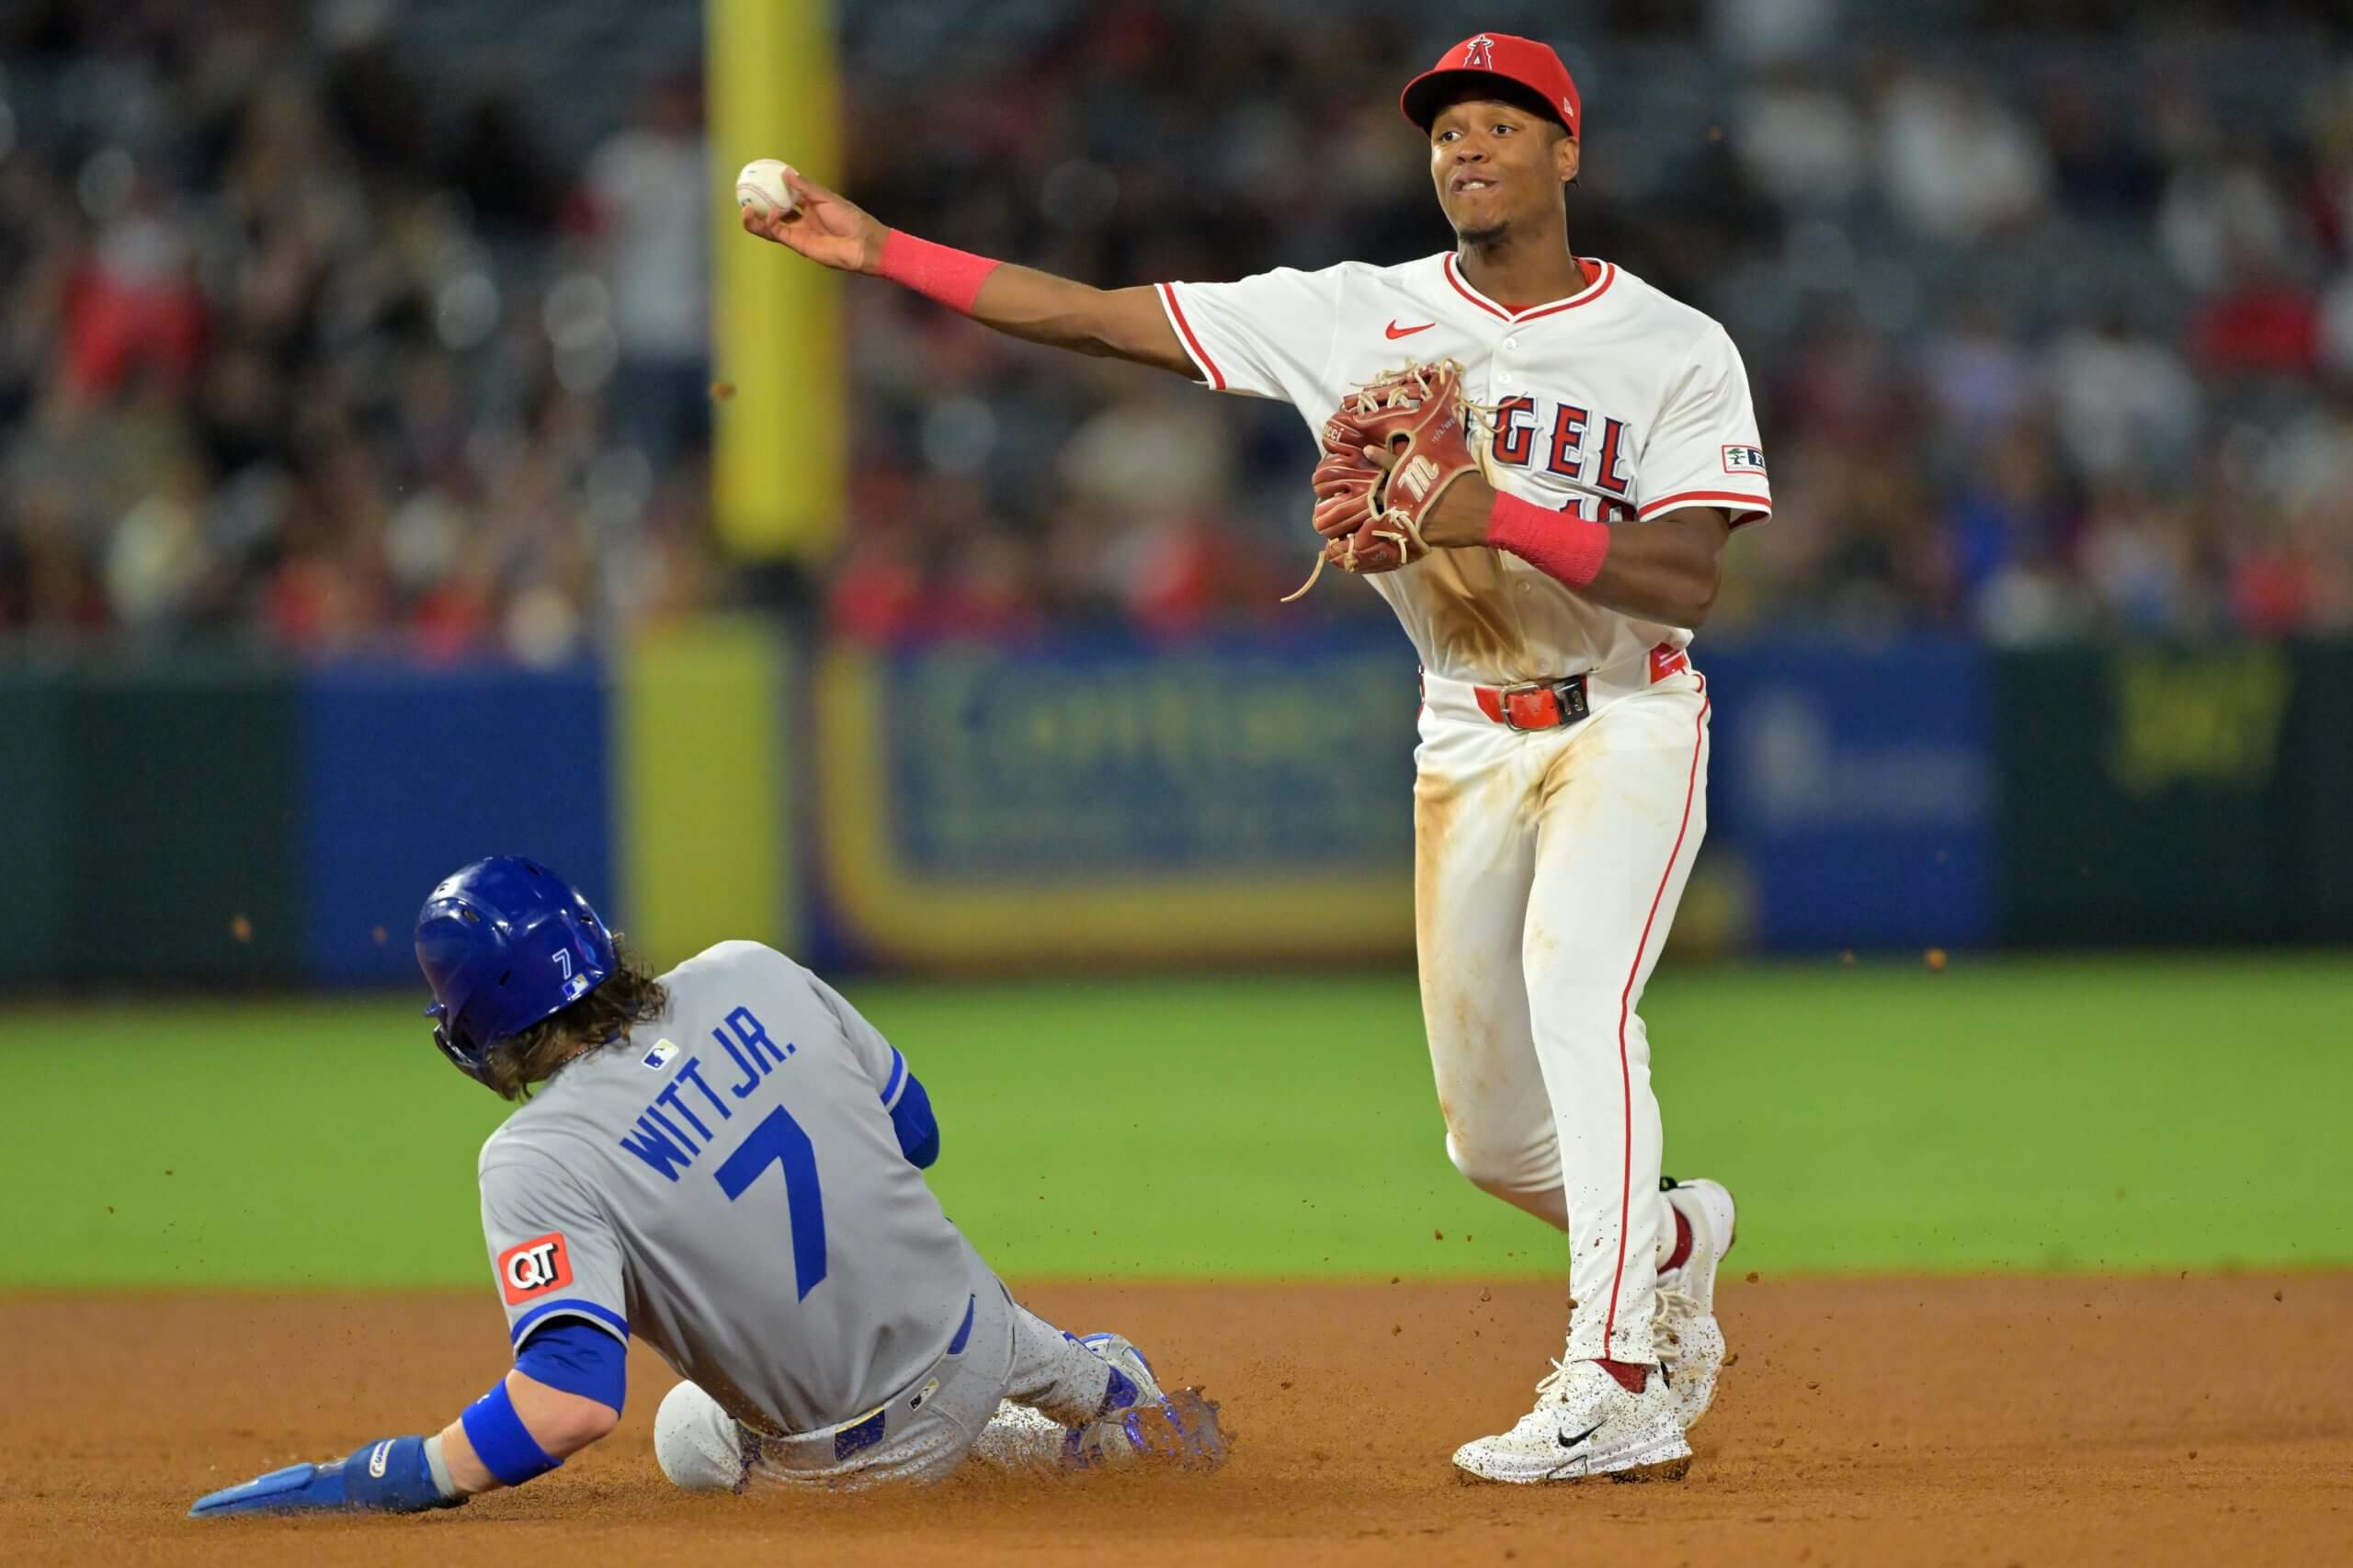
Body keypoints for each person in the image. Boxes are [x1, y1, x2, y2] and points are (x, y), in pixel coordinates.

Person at [741, 31, 1750, 1483]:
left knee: (1578, 989)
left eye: (1500, 125)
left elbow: (1688, 578)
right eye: (1446, 129)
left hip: (1628, 713)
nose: (1464, 147)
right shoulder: (1353, 315)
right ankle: (1669, 1234)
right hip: (1462, 727)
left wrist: (1487, 509)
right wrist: (883, 247)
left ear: (1568, 152)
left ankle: (1617, 1374)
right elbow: (1094, 318)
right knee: (1489, 1139)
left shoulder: (1672, 344)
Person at [188, 857, 1227, 1517]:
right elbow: (918, 1131)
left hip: (856, 1468)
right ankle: (1101, 1394)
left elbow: (568, 1403)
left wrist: (389, 1472)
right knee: (951, 1300)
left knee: (683, 1431)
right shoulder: (749, 966)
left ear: (479, 1026)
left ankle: (1024, 1455)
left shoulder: (533, 1156)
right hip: (978, 1328)